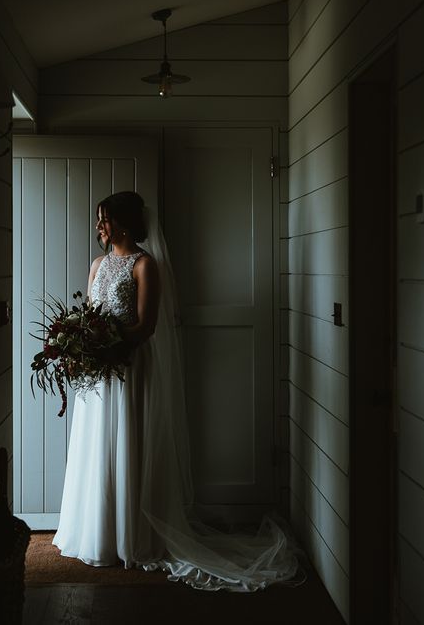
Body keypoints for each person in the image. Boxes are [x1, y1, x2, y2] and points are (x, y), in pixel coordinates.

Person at [53, 191, 301, 591]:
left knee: (129, 443)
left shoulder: (145, 265)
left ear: (125, 223)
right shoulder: (98, 264)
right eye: (99, 219)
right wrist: (84, 344)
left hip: (132, 367)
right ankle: (99, 533)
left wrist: (111, 344)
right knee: (99, 444)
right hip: (100, 372)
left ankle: (134, 535)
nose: (99, 226)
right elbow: (90, 317)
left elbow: (145, 327)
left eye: (105, 219)